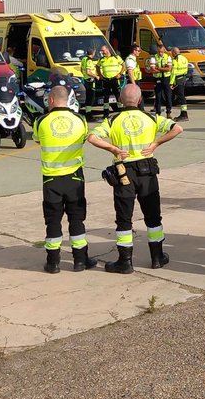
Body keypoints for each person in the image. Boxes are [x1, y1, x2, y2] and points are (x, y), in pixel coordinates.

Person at [88, 84, 183, 273]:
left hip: (124, 173)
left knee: (124, 219)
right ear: (140, 100)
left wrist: (113, 149)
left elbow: (92, 137)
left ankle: (125, 262)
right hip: (147, 172)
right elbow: (177, 128)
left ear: (121, 100)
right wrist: (156, 143)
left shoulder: (113, 120)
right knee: (153, 216)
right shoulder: (151, 117)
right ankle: (157, 257)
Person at [34, 85, 95, 273]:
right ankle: (80, 260)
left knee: (52, 220)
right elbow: (84, 139)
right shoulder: (80, 120)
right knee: (77, 218)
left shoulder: (41, 121)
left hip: (51, 179)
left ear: (51, 100)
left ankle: (53, 263)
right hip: (74, 177)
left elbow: (38, 140)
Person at [147, 43, 174, 118]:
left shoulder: (168, 57)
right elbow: (153, 70)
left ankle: (168, 112)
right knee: (158, 96)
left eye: (162, 51)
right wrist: (163, 68)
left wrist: (158, 68)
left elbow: (169, 68)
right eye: (159, 51)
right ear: (157, 51)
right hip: (157, 79)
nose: (160, 53)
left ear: (164, 50)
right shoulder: (153, 58)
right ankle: (158, 113)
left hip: (166, 78)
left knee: (168, 96)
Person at [169, 46, 190, 120]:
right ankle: (183, 114)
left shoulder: (175, 60)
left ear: (174, 53)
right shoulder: (184, 58)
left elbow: (173, 73)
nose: (171, 54)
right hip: (183, 77)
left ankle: (184, 115)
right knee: (181, 96)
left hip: (178, 79)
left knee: (181, 97)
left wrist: (171, 83)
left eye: (172, 53)